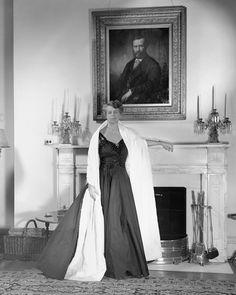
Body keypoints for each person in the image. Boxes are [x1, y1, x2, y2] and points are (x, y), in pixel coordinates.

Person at [37, 100, 173, 281]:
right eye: (109, 112)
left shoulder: (127, 134)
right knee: (105, 221)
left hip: (122, 182)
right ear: (106, 114)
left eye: (116, 112)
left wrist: (161, 142)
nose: (113, 115)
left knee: (121, 222)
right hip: (103, 181)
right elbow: (93, 160)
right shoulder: (98, 135)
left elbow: (141, 143)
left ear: (120, 114)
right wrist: (92, 184)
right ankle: (103, 262)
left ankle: (122, 264)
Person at [116, 34, 162, 104]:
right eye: (135, 46)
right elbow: (121, 82)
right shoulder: (129, 64)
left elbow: (152, 84)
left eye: (141, 46)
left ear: (146, 47)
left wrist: (132, 91)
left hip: (142, 102)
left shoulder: (153, 65)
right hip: (123, 102)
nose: (138, 49)